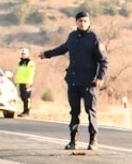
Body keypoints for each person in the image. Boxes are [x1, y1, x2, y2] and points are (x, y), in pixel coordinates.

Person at [42, 11, 108, 150]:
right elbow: (63, 48)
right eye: (80, 21)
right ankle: (73, 140)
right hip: (73, 80)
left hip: (89, 83)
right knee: (74, 112)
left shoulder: (94, 37)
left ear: (89, 22)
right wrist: (47, 54)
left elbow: (104, 60)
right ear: (76, 22)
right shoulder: (72, 36)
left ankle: (93, 140)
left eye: (85, 21)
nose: (82, 23)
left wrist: (100, 77)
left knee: (91, 111)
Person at [14, 47, 36, 117]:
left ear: (27, 54)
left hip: (27, 83)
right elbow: (18, 72)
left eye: (24, 54)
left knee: (26, 98)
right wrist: (16, 81)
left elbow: (31, 73)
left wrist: (28, 82)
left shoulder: (30, 62)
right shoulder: (20, 62)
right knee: (22, 97)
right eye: (22, 53)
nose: (23, 55)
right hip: (21, 82)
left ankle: (27, 111)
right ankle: (24, 110)